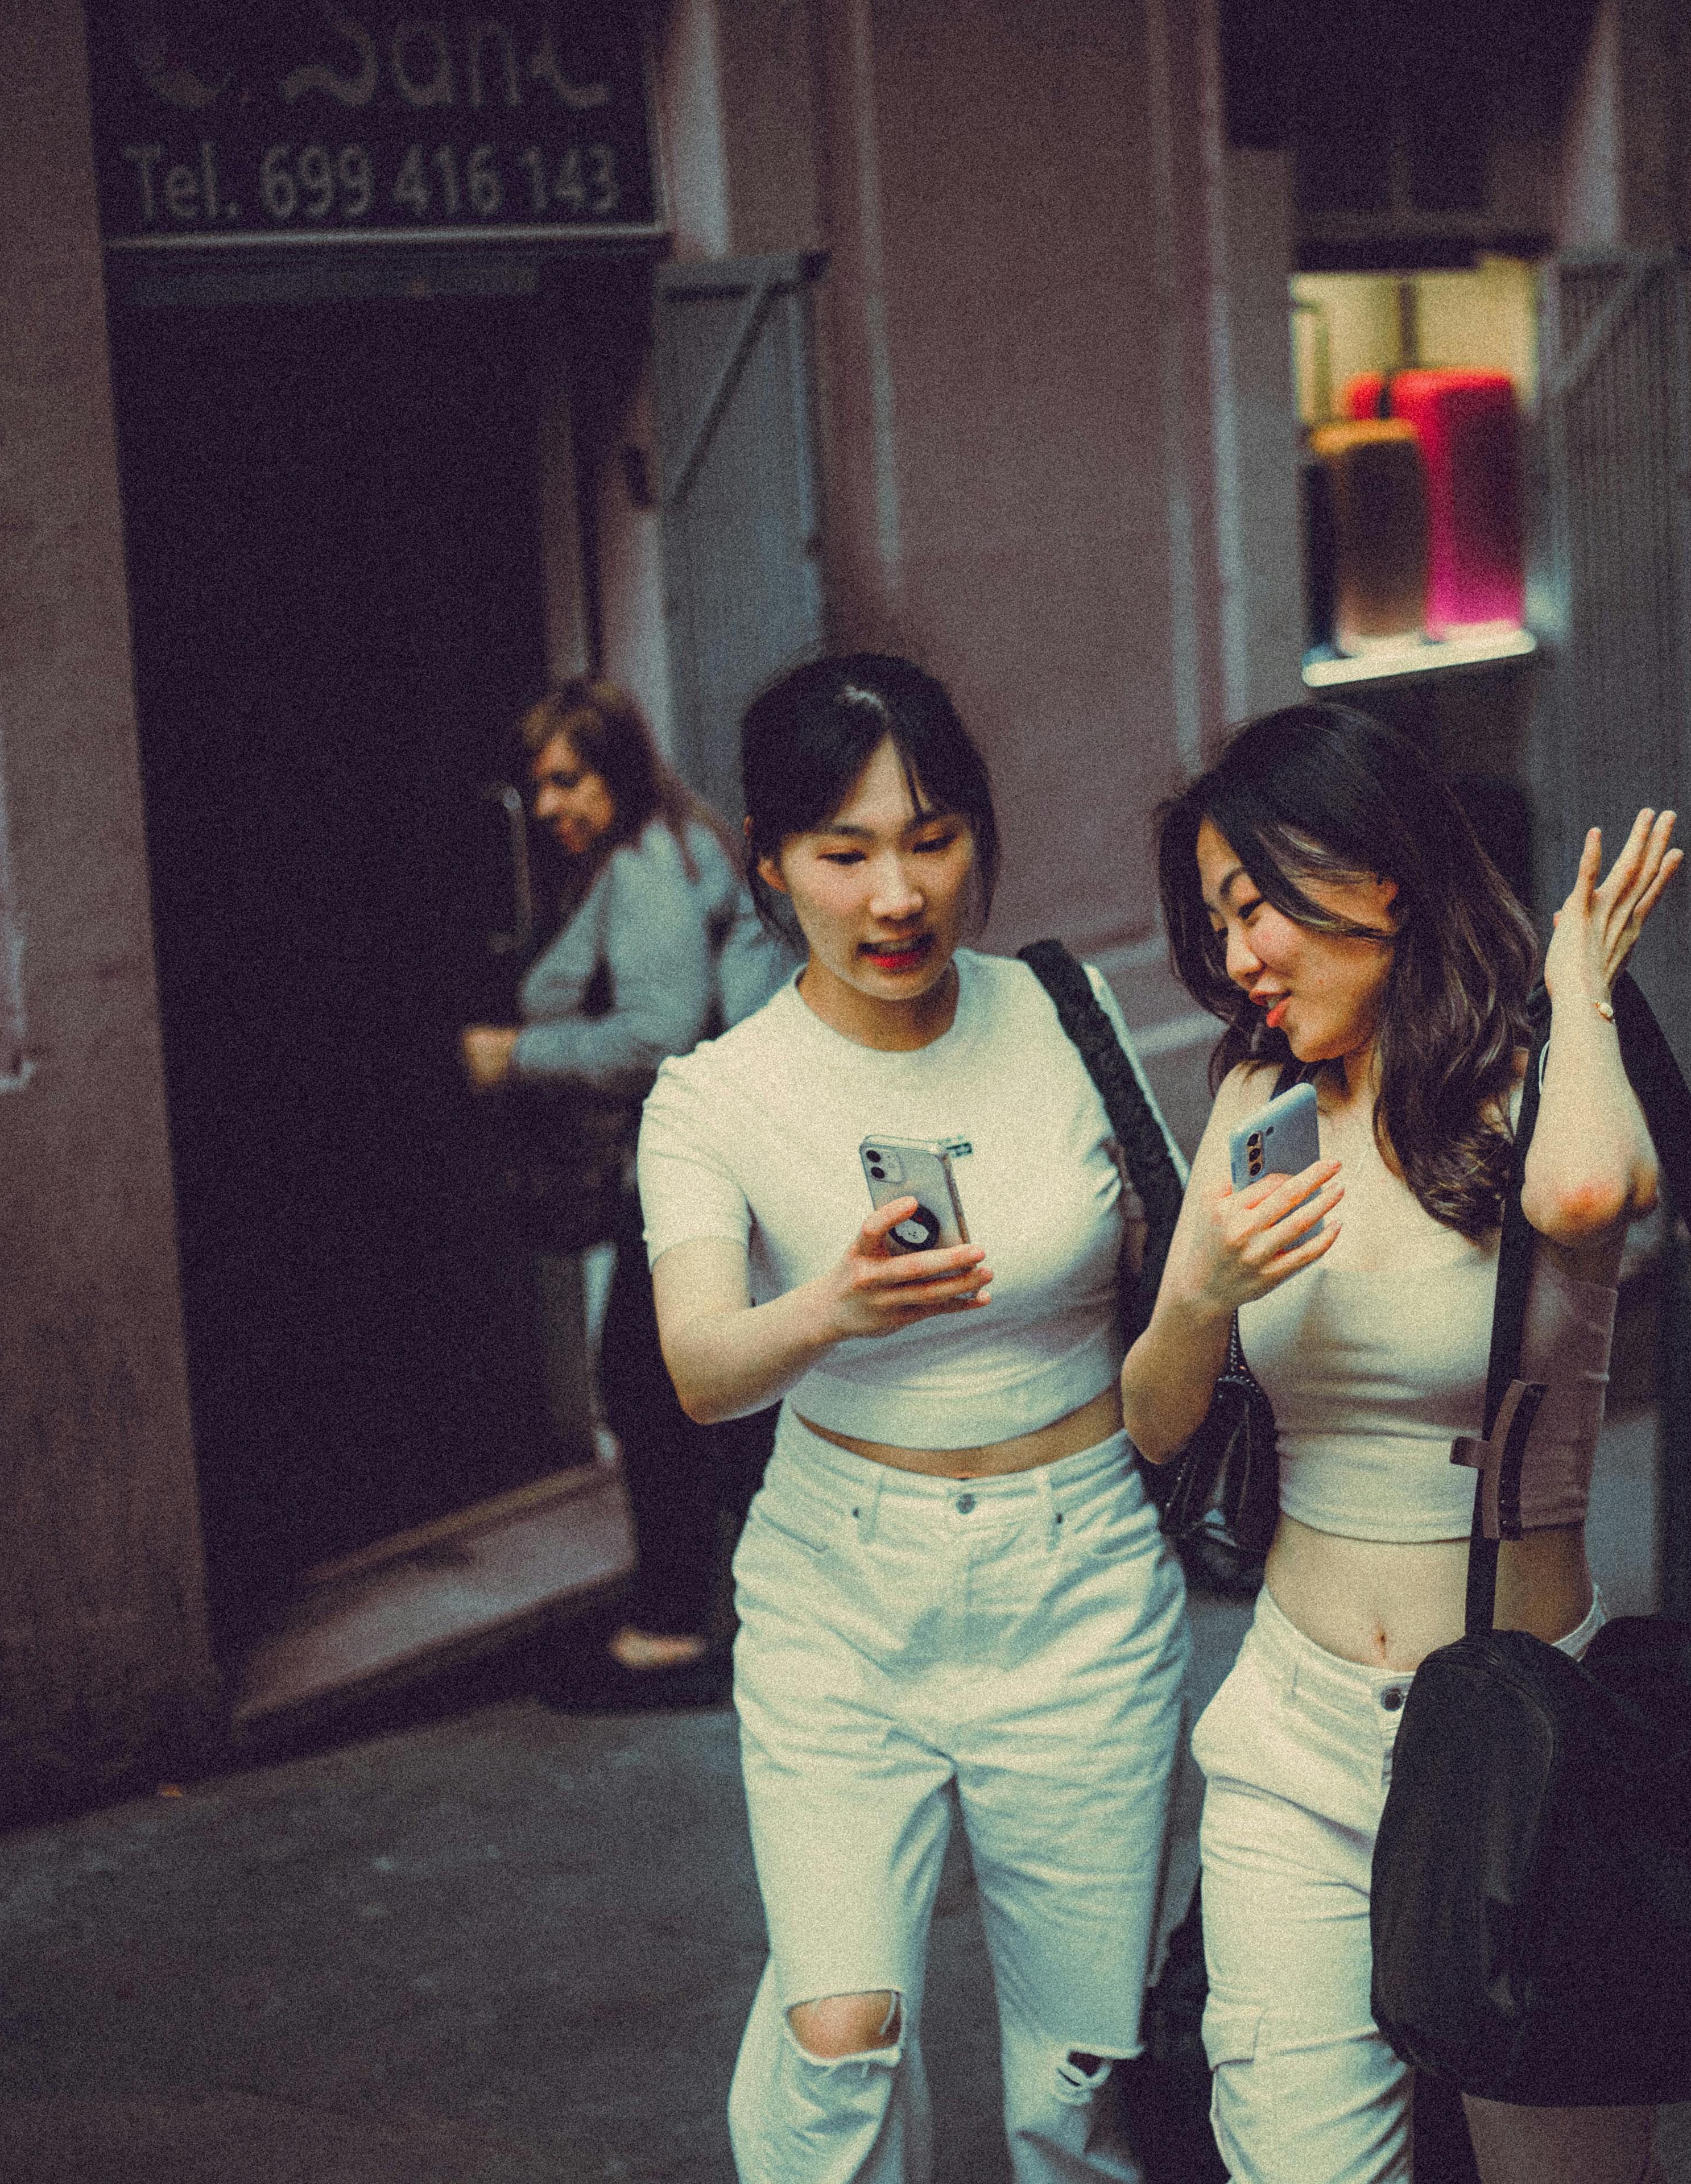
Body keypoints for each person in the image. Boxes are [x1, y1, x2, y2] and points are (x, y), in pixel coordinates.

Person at [636, 653, 1191, 2184]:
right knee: (838, 2044)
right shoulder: (715, 1096)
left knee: (1082, 2076)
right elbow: (699, 1368)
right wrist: (832, 1309)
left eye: (933, 839)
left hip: (1082, 1579)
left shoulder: (1067, 1014)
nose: (898, 895)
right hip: (840, 1593)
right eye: (846, 852)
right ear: (769, 863)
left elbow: (1170, 1266)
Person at [1123, 702, 1682, 2184]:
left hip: (1520, 1745)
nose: (1236, 956)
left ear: (1380, 876)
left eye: (1254, 906)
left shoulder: (1545, 1081)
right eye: (1215, 922)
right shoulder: (1257, 1103)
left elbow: (1586, 1201)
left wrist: (1576, 982)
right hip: (1294, 1741)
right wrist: (1199, 1293)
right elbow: (1156, 1423)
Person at [460, 676, 790, 1708]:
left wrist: (514, 1055)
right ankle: (734, 1615)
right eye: (538, 785)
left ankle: (674, 1629)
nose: (548, 806)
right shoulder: (667, 848)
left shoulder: (648, 866)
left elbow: (661, 1032)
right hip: (727, 1155)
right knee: (702, 1395)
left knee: (651, 1389)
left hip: (698, 1165)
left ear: (618, 772)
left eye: (569, 780)